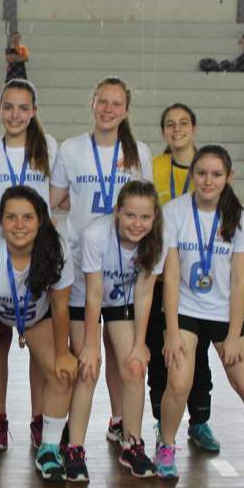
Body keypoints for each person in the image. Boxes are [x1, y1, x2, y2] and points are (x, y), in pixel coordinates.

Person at [157, 145, 244, 479]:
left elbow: (238, 280)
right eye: (202, 173)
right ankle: (166, 445)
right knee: (178, 382)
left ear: (228, 177)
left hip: (223, 313)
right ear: (192, 174)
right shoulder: (175, 212)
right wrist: (172, 330)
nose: (208, 180)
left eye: (216, 174)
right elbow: (172, 276)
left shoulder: (239, 216)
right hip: (186, 310)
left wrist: (233, 336)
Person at [147, 104, 244, 458]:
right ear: (163, 131)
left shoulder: (209, 164)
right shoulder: (155, 167)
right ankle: (162, 426)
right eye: (170, 124)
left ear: (194, 128)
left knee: (200, 364)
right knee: (165, 356)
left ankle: (199, 421)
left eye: (183, 123)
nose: (177, 129)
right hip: (166, 271)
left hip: (207, 276)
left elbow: (230, 223)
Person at [50, 76, 153, 458]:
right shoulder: (72, 148)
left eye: (116, 104)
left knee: (123, 356)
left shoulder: (138, 151)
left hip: (125, 271)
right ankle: (71, 437)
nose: (108, 109)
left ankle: (123, 425)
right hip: (82, 266)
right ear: (92, 103)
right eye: (102, 102)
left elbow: (146, 206)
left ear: (126, 110)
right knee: (87, 361)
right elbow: (56, 197)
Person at [0, 186, 77, 483]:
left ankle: (48, 449)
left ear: (40, 220)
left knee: (62, 373)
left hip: (36, 315)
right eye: (11, 218)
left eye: (27, 218)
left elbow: (60, 307)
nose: (19, 225)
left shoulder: (56, 249)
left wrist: (63, 354)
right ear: (0, 221)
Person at [0, 78, 58, 450]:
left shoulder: (49, 149)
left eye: (23, 108)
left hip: (36, 256)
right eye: (8, 107)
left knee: (38, 341)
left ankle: (39, 417)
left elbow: (58, 198)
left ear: (34, 112)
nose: (15, 114)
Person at [73, 181, 164, 481]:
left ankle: (132, 443)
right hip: (83, 298)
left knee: (136, 367)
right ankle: (75, 449)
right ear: (117, 213)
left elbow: (144, 294)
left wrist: (140, 344)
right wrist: (90, 344)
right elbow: (93, 294)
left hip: (122, 300)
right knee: (88, 369)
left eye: (144, 218)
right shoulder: (95, 236)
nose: (137, 224)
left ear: (154, 218)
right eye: (130, 216)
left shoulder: (157, 241)